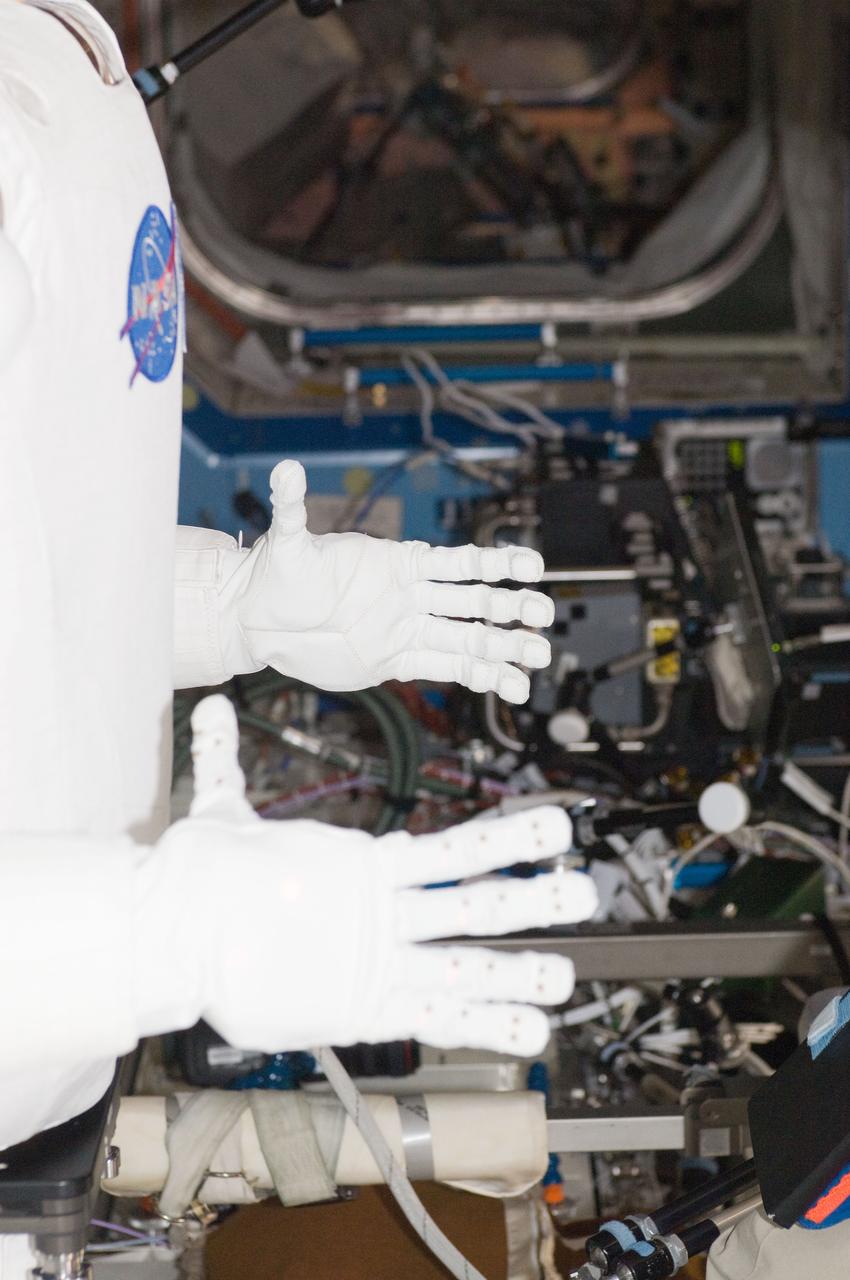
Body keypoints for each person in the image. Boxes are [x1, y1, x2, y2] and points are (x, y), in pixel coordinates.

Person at [0, 1, 597, 1272]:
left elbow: (39, 560)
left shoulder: (76, 78)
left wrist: (235, 604)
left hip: (51, 1075)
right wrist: (148, 937)